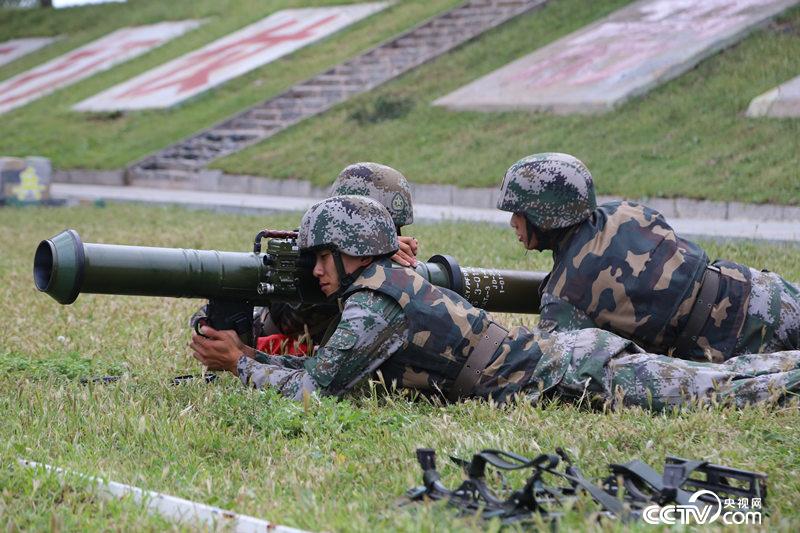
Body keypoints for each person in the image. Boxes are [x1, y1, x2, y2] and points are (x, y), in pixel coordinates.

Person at [189, 196, 800, 411]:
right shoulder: (375, 294)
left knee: (719, 391)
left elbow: (316, 394)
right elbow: (328, 372)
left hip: (571, 375)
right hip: (563, 369)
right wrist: (247, 354)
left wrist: (242, 365)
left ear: (355, 251)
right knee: (713, 382)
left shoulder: (376, 302)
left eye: (325, 256)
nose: (318, 270)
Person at [496, 152, 800, 362]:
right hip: (764, 288)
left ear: (544, 215)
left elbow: (549, 361)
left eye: (518, 214)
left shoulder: (564, 295)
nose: (513, 223)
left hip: (741, 343)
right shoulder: (626, 211)